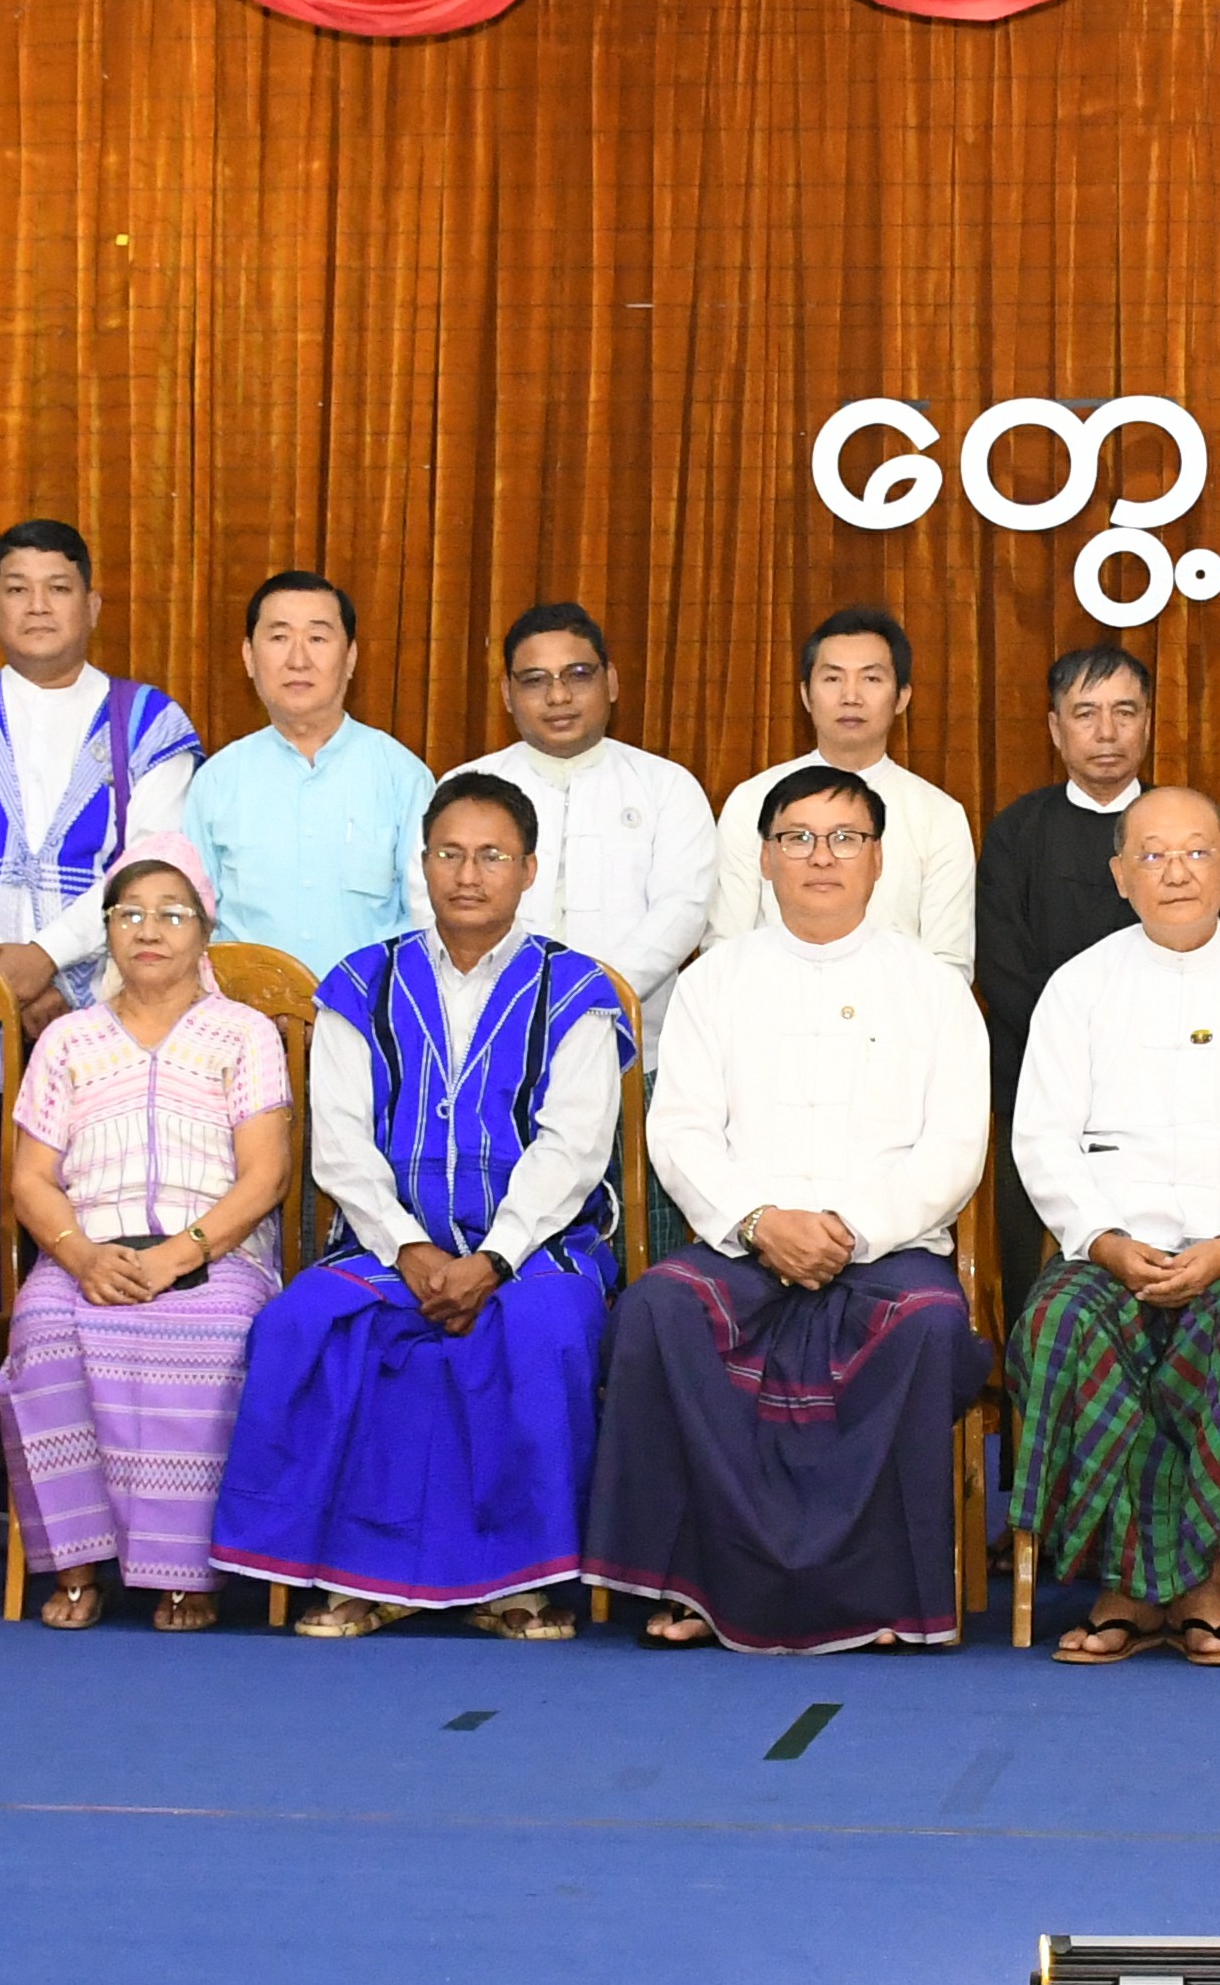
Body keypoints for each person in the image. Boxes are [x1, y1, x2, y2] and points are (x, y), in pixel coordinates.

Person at [213, 773, 637, 1638]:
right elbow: (338, 1143)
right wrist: (408, 1248)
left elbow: (574, 1151)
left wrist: (496, 1258)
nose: (468, 874)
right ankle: (355, 1579)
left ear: (528, 871)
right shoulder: (359, 984)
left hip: (539, 1247)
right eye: (449, 853)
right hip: (383, 1242)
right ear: (423, 865)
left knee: (539, 1330)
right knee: (307, 1326)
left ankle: (516, 1586)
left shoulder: (578, 990)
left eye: (490, 856)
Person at [590, 766, 995, 1653]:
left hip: (885, 1245)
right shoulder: (716, 981)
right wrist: (759, 1222)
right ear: (765, 860)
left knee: (927, 1325)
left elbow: (954, 1151)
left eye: (845, 838)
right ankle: (701, 1586)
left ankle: (880, 1594)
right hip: (746, 1240)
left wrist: (847, 1233)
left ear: (879, 861)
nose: (822, 857)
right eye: (798, 838)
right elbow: (682, 1132)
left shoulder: (932, 989)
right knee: (660, 1309)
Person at [1010, 788, 1220, 1666]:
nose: (1176, 872)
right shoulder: (1079, 986)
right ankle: (1127, 1585)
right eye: (1152, 856)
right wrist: (1108, 1242)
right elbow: (1040, 1140)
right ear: (1120, 876)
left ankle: (1201, 1583)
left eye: (1196, 852)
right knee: (1058, 1327)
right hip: (1111, 1243)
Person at [0, 854, 293, 1632]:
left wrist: (180, 1254)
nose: (149, 930)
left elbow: (265, 1178)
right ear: (106, 935)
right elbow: (31, 1179)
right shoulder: (67, 1040)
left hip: (215, 1249)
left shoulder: (245, 1033)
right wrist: (80, 1255)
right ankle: (76, 1566)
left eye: (172, 913)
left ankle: (191, 1574)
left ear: (205, 932)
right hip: (86, 1247)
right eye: (130, 914)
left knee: (215, 1330)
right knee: (46, 1329)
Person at [0, 517, 207, 1021]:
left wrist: (48, 959)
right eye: (18, 589)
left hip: (108, 1005)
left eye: (58, 588)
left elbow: (152, 865)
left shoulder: (150, 724)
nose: (38, 606)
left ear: (92, 607)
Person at [977, 641, 1158, 1303]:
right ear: (1055, 727)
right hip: (1035, 1088)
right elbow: (1001, 968)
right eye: (1085, 713)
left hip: (1163, 1087)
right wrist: (1079, 1053)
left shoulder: (1178, 827)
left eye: (1124, 711)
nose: (1106, 732)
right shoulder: (1015, 831)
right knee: (1035, 1286)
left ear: (1148, 722)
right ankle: (1034, 1403)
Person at [463, 601, 716, 1035]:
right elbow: (439, 907)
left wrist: (590, 998)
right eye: (535, 680)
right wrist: (510, 1003)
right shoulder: (467, 790)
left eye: (578, 675)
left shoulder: (667, 786)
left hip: (632, 1044)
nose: (558, 696)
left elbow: (682, 913)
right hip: (490, 1037)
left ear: (611, 682)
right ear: (507, 692)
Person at [181, 570, 433, 965]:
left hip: (367, 1017)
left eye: (317, 638)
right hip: (245, 1018)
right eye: (279, 638)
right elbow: (192, 919)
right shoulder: (216, 781)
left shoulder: (403, 777)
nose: (298, 660)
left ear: (350, 657)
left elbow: (426, 918)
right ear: (249, 657)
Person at [711, 605, 977, 974]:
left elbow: (948, 964)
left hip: (894, 1020)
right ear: (806, 695)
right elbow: (725, 946)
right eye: (833, 679)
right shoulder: (752, 800)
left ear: (901, 697)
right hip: (772, 1012)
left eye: (871, 679)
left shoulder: (939, 814)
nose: (851, 696)